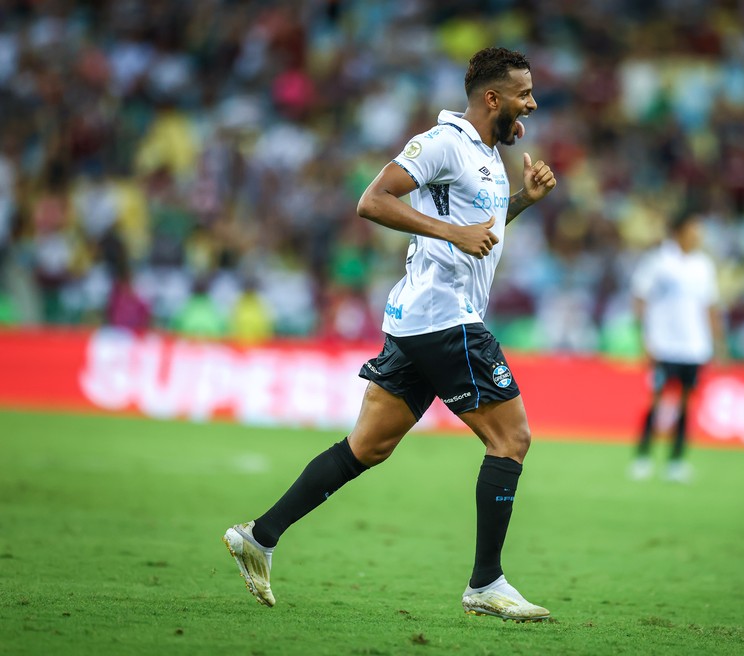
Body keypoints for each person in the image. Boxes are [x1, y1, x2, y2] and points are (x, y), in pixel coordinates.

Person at [222, 47, 557, 621]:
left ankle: (261, 535)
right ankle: (486, 582)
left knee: (368, 446)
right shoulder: (443, 142)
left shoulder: (487, 156)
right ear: (493, 99)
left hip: (417, 322)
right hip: (444, 317)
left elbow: (481, 233)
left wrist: (525, 199)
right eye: (524, 93)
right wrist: (452, 233)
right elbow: (371, 200)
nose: (532, 103)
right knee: (512, 439)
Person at [628, 211, 722, 483]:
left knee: (685, 404)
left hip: (695, 347)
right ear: (681, 230)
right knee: (655, 400)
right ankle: (643, 457)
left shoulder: (704, 265)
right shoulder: (658, 261)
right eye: (695, 228)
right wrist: (644, 338)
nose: (699, 234)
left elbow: (711, 306)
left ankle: (676, 461)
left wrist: (717, 343)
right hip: (664, 345)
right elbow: (639, 298)